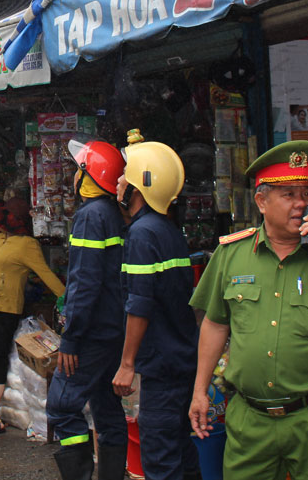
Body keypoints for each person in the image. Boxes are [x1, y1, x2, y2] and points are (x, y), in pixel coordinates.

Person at [188, 141, 308, 480]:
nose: (300, 204)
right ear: (261, 201)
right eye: (288, 194)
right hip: (251, 421)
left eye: (306, 194)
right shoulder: (231, 254)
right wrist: (200, 391)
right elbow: (215, 325)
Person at [111, 132, 200, 480]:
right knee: (182, 452)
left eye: (125, 177)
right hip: (181, 361)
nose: (118, 182)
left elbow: (141, 302)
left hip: (162, 369)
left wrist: (127, 363)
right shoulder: (168, 230)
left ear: (139, 187)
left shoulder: (142, 234)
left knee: (161, 461)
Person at [47, 138, 127, 480]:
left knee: (62, 405)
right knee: (106, 407)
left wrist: (71, 338)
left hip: (93, 334)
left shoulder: (91, 216)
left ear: (87, 175)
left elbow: (84, 283)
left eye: (77, 169)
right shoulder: (111, 213)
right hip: (112, 330)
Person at [0, 195, 66, 428]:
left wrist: (69, 299)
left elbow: (47, 275)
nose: (1, 220)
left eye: (6, 216)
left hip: (4, 309)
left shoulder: (28, 245)